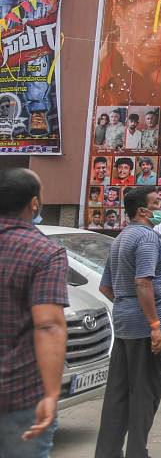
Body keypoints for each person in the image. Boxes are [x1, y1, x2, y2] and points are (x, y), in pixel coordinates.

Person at [96, 188, 161, 458]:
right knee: (145, 392)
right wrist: (154, 324)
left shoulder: (122, 237)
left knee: (119, 392)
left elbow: (107, 287)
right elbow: (143, 282)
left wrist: (128, 306)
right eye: (156, 203)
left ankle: (108, 452)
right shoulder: (145, 237)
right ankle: (137, 452)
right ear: (142, 211)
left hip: (127, 324)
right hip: (148, 329)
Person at [0, 169, 67, 458]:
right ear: (34, 204)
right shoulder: (44, 252)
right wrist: (51, 394)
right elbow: (48, 325)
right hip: (19, 392)